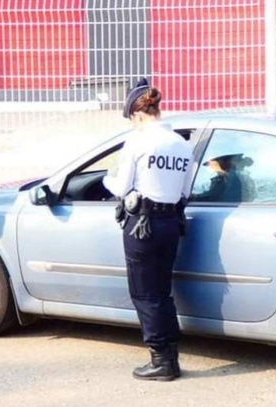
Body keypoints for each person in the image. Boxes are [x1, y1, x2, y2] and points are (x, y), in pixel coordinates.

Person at [103, 78, 194, 381]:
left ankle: (161, 360)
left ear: (137, 114)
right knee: (162, 293)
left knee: (144, 293)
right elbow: (185, 191)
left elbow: (121, 187)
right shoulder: (182, 145)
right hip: (170, 224)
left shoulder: (138, 142)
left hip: (142, 226)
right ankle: (171, 357)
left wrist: (106, 180)